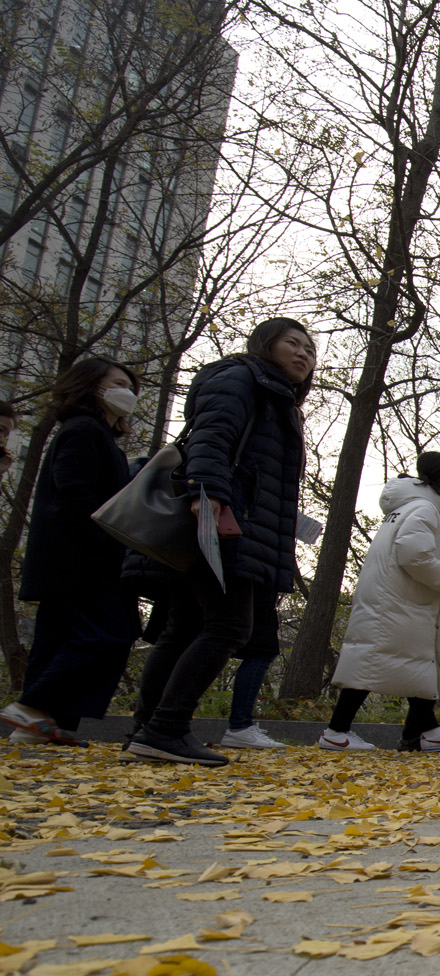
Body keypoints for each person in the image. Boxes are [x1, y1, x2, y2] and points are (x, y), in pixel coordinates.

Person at [126, 319, 315, 766]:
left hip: (231, 518)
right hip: (223, 520)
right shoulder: (241, 377)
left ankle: (145, 731)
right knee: (229, 626)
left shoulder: (274, 395)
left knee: (184, 628)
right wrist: (207, 492)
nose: (303, 354)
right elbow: (213, 435)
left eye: (310, 350)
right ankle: (166, 728)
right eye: (292, 343)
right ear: (265, 344)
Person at [3, 359, 144, 747]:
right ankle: (31, 706)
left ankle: (43, 726)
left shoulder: (97, 435)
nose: (128, 394)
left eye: (132, 388)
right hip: (82, 559)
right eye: (119, 383)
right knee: (111, 632)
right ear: (92, 386)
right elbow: (75, 493)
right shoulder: (83, 429)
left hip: (69, 559)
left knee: (57, 637)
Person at [318, 452, 440, 752]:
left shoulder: (407, 507)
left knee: (406, 661)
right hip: (399, 600)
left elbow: (412, 550)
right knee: (377, 663)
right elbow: (415, 557)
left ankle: (429, 730)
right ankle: (336, 731)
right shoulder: (425, 509)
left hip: (391, 597)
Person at [217, 588, 287, 749]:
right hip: (255, 586)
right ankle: (240, 726)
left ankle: (166, 720)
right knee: (262, 651)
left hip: (252, 586)